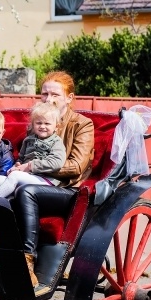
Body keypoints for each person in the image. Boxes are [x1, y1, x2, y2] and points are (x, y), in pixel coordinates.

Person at [11, 71, 94, 288]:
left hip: (67, 190)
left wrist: (35, 169)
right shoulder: (39, 119)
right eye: (44, 94)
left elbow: (77, 166)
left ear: (69, 97)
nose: (49, 99)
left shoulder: (82, 124)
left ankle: (27, 259)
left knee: (26, 190)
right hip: (35, 181)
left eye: (55, 94)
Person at [0, 102, 66, 198]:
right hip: (28, 177)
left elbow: (57, 162)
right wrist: (16, 166)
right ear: (33, 124)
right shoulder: (28, 140)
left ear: (56, 126)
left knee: (15, 176)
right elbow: (21, 159)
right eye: (38, 123)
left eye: (47, 123)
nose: (42, 126)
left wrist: (30, 166)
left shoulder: (56, 142)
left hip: (46, 179)